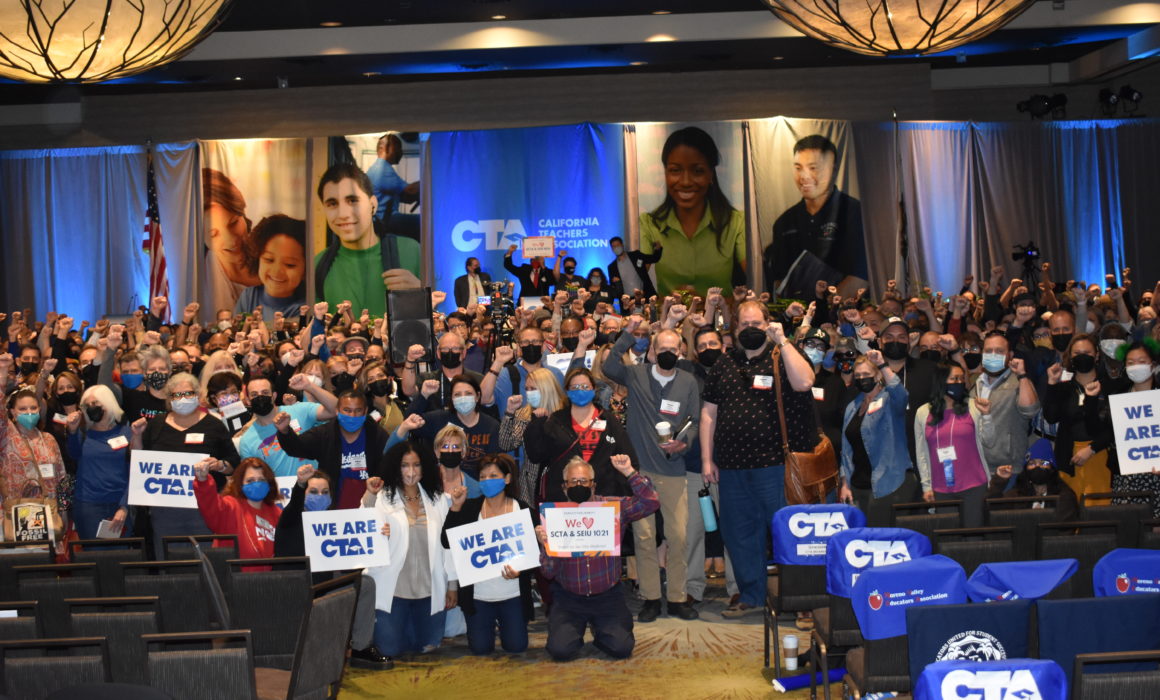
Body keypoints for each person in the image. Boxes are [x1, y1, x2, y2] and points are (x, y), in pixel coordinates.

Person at [700, 300, 818, 617]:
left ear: (768, 324)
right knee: (739, 535)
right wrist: (707, 460)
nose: (750, 329)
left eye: (757, 323)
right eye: (744, 324)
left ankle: (800, 601)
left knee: (787, 534)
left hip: (774, 466)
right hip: (732, 469)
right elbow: (709, 413)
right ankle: (751, 595)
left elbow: (805, 382)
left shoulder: (782, 355)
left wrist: (783, 340)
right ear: (735, 328)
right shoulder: (725, 363)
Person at [602, 321, 700, 622]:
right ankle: (651, 597)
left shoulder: (688, 381)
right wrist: (629, 336)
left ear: (681, 351)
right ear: (653, 353)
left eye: (674, 349)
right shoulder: (635, 375)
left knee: (678, 536)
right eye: (662, 349)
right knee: (644, 538)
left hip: (673, 469)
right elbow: (608, 365)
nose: (668, 353)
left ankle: (678, 597)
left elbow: (695, 421)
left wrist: (682, 444)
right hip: (640, 470)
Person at [534, 454, 659, 661]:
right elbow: (548, 573)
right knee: (560, 650)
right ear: (564, 487)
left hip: (607, 595)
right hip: (569, 597)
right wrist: (546, 545)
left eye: (583, 481)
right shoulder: (554, 517)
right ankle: (577, 631)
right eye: (573, 481)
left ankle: (602, 632)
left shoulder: (611, 509)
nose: (578, 485)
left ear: (593, 484)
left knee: (621, 648)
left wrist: (629, 472)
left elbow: (651, 502)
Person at [274, 464, 392, 669]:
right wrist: (301, 484)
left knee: (365, 584)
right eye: (313, 492)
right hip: (295, 587)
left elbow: (350, 566)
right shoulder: (290, 519)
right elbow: (293, 505)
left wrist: (375, 538)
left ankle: (361, 648)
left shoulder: (335, 522)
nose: (319, 496)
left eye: (324, 492)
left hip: (326, 585)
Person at [364, 442, 455, 658]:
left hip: (429, 589)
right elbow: (363, 526)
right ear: (396, 467)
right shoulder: (380, 498)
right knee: (389, 650)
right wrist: (369, 496)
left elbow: (448, 545)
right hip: (393, 590)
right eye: (405, 465)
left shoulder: (439, 500)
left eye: (417, 465)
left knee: (427, 648)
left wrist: (452, 585)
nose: (411, 472)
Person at [441, 453, 537, 655]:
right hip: (479, 596)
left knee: (516, 646)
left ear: (507, 478)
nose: (486, 481)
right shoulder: (469, 508)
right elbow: (446, 541)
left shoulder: (523, 510)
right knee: (480, 649)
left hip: (513, 594)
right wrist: (455, 508)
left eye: (493, 476)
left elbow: (535, 556)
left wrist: (521, 571)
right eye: (482, 477)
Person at [136, 372, 240, 557]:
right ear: (169, 399)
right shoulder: (157, 424)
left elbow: (233, 462)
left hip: (203, 508)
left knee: (206, 563)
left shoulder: (214, 425)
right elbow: (139, 459)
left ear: (198, 395)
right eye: (177, 395)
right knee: (169, 563)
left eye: (189, 393)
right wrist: (136, 435)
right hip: (165, 511)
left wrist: (219, 465)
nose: (183, 398)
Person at [639, 126, 745, 297]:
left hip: (720, 320)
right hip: (668, 320)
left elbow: (757, 282)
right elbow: (633, 283)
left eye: (697, 171)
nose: (686, 181)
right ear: (665, 173)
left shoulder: (736, 222)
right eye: (675, 170)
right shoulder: (649, 223)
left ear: (711, 174)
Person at [764, 134, 867, 299]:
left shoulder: (855, 213)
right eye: (798, 168)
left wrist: (823, 310)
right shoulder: (784, 222)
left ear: (833, 170)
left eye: (813, 168)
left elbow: (861, 277)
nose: (804, 176)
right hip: (796, 317)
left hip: (844, 314)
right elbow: (779, 281)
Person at [314, 163, 422, 318]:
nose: (343, 213)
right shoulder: (319, 265)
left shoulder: (410, 251)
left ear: (373, 204)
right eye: (332, 204)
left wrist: (421, 294)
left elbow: (446, 319)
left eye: (352, 200)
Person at [525, 367, 637, 504]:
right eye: (575, 387)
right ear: (567, 391)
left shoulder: (609, 421)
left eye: (585, 386)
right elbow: (536, 455)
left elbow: (629, 459)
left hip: (602, 497)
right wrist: (537, 424)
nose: (580, 390)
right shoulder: (556, 420)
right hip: (562, 497)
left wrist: (619, 494)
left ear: (594, 389)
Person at [274, 389, 391, 509]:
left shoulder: (377, 435)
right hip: (333, 509)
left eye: (358, 410)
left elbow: (390, 464)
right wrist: (285, 431)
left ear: (365, 411)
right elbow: (296, 447)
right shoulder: (325, 434)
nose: (352, 415)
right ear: (337, 410)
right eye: (347, 410)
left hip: (371, 507)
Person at [914, 364, 998, 528]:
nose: (958, 383)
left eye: (961, 378)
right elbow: (921, 453)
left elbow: (989, 441)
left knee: (974, 538)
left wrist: (987, 416)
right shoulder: (923, 412)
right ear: (941, 382)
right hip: (940, 488)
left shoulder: (974, 406)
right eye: (953, 379)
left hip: (973, 485)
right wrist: (926, 486)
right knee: (946, 540)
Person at [838, 351, 910, 526]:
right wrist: (845, 483)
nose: (862, 379)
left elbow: (901, 394)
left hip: (887, 482)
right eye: (858, 375)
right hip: (857, 484)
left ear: (877, 376)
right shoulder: (852, 406)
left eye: (867, 375)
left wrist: (883, 365)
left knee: (881, 539)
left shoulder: (889, 400)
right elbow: (846, 450)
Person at [1043, 334, 1112, 505]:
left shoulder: (1111, 386)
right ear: (1070, 357)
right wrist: (1052, 383)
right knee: (1070, 510)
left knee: (1099, 511)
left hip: (1100, 455)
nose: (1082, 356)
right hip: (1068, 457)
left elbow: (1115, 427)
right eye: (1076, 353)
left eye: (1087, 352)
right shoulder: (1063, 388)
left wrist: (1093, 448)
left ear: (1096, 355)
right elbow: (1051, 417)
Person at [1099, 339, 1160, 516]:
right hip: (1125, 478)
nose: (1136, 367)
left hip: (1156, 477)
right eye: (1131, 363)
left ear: (1153, 365)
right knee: (1126, 528)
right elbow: (1109, 434)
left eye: (1142, 362)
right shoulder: (1118, 397)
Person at [66, 385, 134, 539]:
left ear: (108, 404)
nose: (92, 408)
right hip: (88, 505)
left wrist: (124, 506)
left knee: (123, 555)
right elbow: (73, 454)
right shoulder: (82, 433)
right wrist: (72, 431)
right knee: (93, 555)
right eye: (87, 405)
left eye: (96, 403)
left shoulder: (128, 433)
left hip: (119, 503)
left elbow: (134, 472)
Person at [400, 375, 501, 477]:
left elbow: (494, 466)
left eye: (468, 394)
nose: (463, 398)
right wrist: (423, 395)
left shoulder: (492, 427)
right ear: (452, 398)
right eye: (457, 395)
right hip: (442, 484)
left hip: (479, 486)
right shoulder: (439, 419)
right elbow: (409, 422)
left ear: (478, 396)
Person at [2, 387, 68, 543]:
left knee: (46, 561)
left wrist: (64, 509)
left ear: (39, 409)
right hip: (15, 512)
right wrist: (3, 371)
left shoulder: (49, 439)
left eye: (33, 407)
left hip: (48, 511)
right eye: (23, 409)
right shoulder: (7, 438)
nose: (29, 412)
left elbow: (63, 476)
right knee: (23, 560)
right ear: (13, 412)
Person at [236, 375, 336, 477]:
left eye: (265, 393)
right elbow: (251, 476)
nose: (260, 397)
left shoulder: (299, 410)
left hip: (312, 487)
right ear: (248, 400)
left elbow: (335, 410)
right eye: (254, 394)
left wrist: (309, 386)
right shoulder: (247, 441)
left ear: (274, 396)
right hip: (280, 491)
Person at [970, 333, 1040, 469]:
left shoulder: (1019, 381)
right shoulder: (977, 382)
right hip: (978, 465)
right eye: (988, 351)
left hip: (1008, 467)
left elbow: (1030, 411)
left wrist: (1022, 375)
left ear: (1010, 355)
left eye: (1000, 351)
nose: (993, 355)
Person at [192, 456, 281, 561]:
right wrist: (203, 481)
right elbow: (210, 506)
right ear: (240, 484)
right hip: (233, 575)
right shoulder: (230, 507)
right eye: (250, 480)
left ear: (269, 483)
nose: (256, 484)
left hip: (270, 576)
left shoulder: (277, 513)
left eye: (261, 480)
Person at [498, 368, 566, 503]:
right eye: (527, 389)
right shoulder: (524, 414)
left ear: (547, 388)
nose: (529, 393)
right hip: (530, 487)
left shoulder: (564, 414)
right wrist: (510, 413)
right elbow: (506, 444)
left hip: (560, 482)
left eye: (533, 388)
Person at [203, 168, 258, 311]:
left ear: (243, 215)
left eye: (233, 223)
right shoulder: (205, 280)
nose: (230, 240)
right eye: (213, 234)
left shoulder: (270, 247)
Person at [986, 438, 1078, 521]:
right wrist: (999, 481)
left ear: (1052, 468)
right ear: (1026, 469)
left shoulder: (1065, 496)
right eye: (1032, 463)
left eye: (1044, 463)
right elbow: (992, 511)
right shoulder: (1016, 495)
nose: (1037, 466)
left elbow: (1064, 531)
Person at [234, 215, 308, 318]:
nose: (277, 272)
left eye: (289, 264)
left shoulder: (304, 308)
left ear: (305, 269)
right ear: (257, 258)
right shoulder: (249, 296)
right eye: (269, 260)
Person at [98, 327, 170, 424]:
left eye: (162, 369)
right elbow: (103, 386)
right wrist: (111, 349)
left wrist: (146, 344)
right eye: (152, 369)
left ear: (169, 371)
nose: (157, 373)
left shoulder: (176, 398)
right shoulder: (130, 396)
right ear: (145, 372)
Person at [366, 132, 419, 223]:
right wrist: (429, 182)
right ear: (384, 148)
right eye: (397, 147)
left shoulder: (377, 168)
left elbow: (405, 197)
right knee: (422, 222)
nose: (400, 152)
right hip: (384, 220)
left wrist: (416, 196)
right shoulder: (382, 169)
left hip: (381, 219)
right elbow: (410, 190)